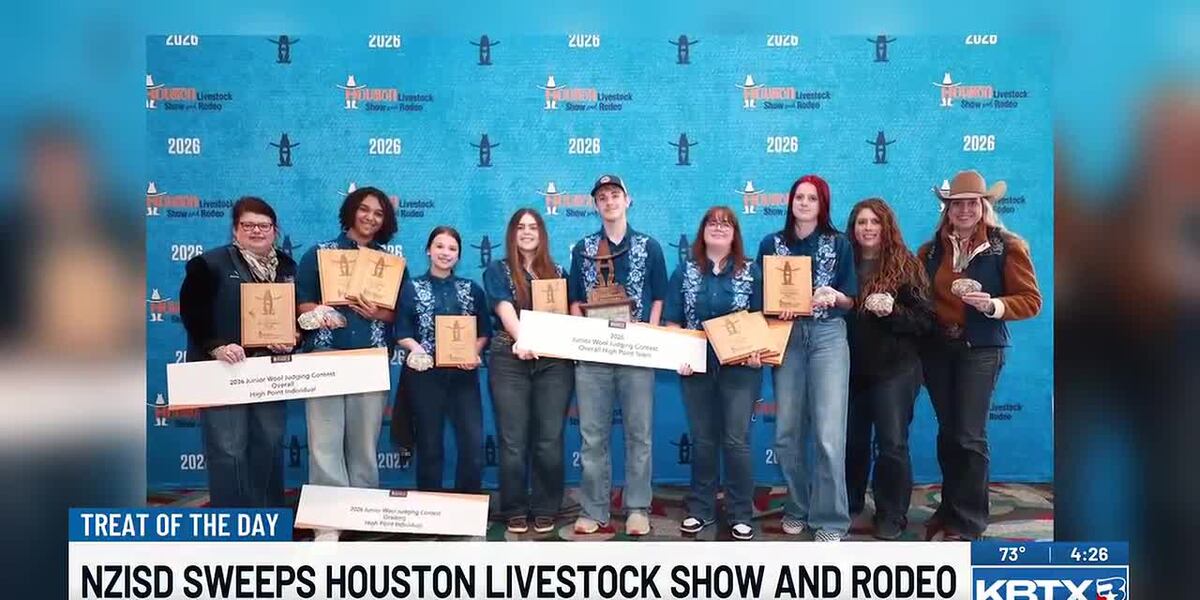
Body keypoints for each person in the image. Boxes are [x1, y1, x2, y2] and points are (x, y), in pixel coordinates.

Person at [919, 170, 1042, 541]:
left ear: (984, 206)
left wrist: (992, 305)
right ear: (948, 209)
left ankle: (969, 521)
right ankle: (948, 509)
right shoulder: (930, 251)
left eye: (972, 202)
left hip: (982, 349)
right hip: (938, 349)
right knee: (948, 433)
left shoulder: (1007, 246)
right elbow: (916, 295)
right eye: (957, 204)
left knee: (970, 436)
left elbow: (1031, 301)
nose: (965, 210)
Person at [294, 186, 400, 542]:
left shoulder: (388, 262)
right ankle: (328, 520)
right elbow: (299, 303)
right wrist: (318, 311)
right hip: (325, 354)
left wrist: (377, 312)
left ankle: (364, 513)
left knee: (365, 441)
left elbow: (395, 312)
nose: (370, 218)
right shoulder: (318, 253)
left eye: (379, 213)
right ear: (352, 211)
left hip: (370, 356)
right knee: (324, 441)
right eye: (364, 210)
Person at [756, 174, 858, 542]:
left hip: (828, 335)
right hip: (787, 337)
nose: (803, 203)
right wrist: (774, 310)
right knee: (786, 433)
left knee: (829, 434)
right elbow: (760, 297)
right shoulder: (772, 243)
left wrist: (835, 296)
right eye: (798, 196)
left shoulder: (839, 243)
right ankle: (798, 505)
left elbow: (852, 299)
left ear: (822, 204)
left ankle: (831, 519)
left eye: (811, 198)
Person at [179, 196, 297, 507]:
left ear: (274, 230)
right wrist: (215, 346)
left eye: (264, 225)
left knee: (270, 443)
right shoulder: (208, 264)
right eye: (248, 225)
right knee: (228, 448)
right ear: (235, 230)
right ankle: (231, 522)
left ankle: (269, 518)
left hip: (269, 371)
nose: (257, 231)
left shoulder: (287, 266)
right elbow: (192, 311)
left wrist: (292, 337)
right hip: (223, 369)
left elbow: (294, 315)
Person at [567, 174, 668, 536]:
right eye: (602, 197)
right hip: (594, 353)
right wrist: (584, 337)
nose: (609, 201)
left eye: (615, 195)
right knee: (593, 436)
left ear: (628, 200)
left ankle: (638, 506)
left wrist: (651, 335)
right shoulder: (582, 249)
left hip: (637, 351)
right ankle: (594, 509)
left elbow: (658, 296)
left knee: (639, 434)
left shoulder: (649, 246)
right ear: (596, 206)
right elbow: (575, 300)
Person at [664, 206, 764, 540]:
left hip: (741, 368)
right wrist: (680, 352)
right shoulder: (685, 271)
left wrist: (758, 351)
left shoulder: (753, 271)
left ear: (735, 233)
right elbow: (674, 320)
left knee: (736, 440)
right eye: (712, 222)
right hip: (697, 366)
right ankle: (700, 509)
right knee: (704, 441)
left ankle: (740, 513)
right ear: (702, 231)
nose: (719, 227)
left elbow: (766, 318)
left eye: (726, 223)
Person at [843, 198, 936, 540]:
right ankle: (850, 504)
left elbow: (926, 321)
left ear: (887, 227)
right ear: (852, 228)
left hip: (895, 370)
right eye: (861, 222)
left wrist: (893, 312)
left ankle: (892, 514)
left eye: (874, 222)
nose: (868, 228)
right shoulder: (844, 263)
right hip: (851, 370)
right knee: (852, 442)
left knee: (892, 444)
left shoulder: (906, 265)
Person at [482, 208, 574, 535]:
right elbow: (503, 307)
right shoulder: (498, 269)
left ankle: (547, 505)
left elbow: (570, 316)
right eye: (520, 227)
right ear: (512, 233)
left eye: (533, 227)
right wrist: (523, 338)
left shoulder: (559, 271)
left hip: (554, 362)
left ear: (542, 233)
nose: (526, 232)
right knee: (512, 440)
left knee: (549, 438)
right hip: (510, 356)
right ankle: (515, 507)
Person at [396, 226, 491, 494]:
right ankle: (430, 513)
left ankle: (468, 509)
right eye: (439, 246)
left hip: (463, 377)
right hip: (425, 377)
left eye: (452, 248)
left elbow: (484, 331)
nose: (445, 253)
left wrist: (473, 350)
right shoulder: (411, 287)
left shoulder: (471, 289)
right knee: (429, 445)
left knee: (472, 445)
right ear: (428, 250)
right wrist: (417, 350)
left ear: (459, 255)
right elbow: (402, 332)